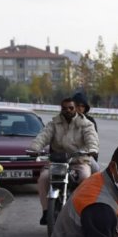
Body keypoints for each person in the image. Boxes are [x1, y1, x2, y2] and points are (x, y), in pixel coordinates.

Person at [28, 95, 100, 226]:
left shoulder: (85, 124)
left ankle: (83, 209)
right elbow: (43, 136)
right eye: (64, 108)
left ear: (75, 108)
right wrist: (34, 148)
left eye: (71, 108)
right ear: (61, 109)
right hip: (57, 161)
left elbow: (92, 138)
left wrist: (92, 149)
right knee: (43, 178)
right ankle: (46, 211)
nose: (68, 110)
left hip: (79, 160)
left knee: (85, 177)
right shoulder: (54, 124)